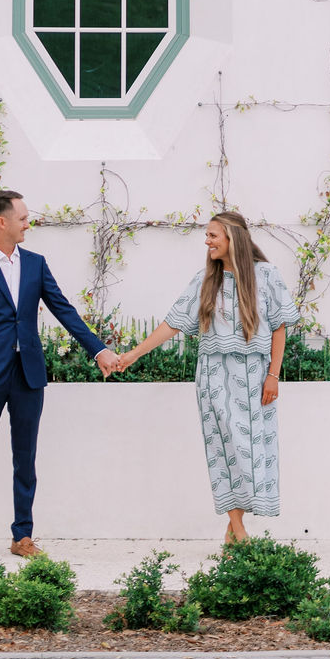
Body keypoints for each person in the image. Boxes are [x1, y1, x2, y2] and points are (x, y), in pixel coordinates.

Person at [0, 189, 121, 558]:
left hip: (28, 376)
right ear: (2, 222)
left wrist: (99, 349)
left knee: (24, 458)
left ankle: (22, 536)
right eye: (23, 218)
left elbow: (64, 310)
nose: (29, 223)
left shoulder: (36, 263)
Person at [112, 211, 299, 544]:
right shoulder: (204, 280)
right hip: (213, 375)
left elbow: (280, 327)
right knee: (223, 449)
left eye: (213, 235)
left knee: (251, 450)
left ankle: (232, 531)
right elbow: (172, 323)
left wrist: (273, 375)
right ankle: (239, 532)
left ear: (232, 238)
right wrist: (133, 354)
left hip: (255, 375)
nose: (207, 241)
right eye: (208, 235)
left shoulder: (267, 276)